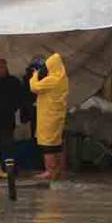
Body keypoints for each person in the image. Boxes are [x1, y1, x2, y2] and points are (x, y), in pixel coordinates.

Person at [28, 53, 69, 181]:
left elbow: (34, 87)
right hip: (57, 115)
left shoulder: (53, 79)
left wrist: (35, 74)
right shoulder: (63, 78)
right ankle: (59, 170)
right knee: (57, 144)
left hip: (49, 116)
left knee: (48, 145)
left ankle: (49, 170)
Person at [0, 58, 24, 179]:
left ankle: (10, 169)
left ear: (6, 67)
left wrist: (12, 108)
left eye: (0, 67)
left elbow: (19, 98)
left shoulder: (13, 81)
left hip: (7, 117)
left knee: (8, 143)